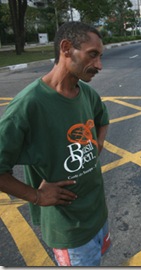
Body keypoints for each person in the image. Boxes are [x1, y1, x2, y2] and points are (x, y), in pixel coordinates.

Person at [0, 21, 110, 266]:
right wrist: (37, 196)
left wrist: (96, 147)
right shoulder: (28, 105)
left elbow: (103, 120)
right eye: (93, 55)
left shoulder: (87, 94)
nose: (99, 65)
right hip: (70, 230)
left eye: (100, 57)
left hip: (98, 216)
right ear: (66, 48)